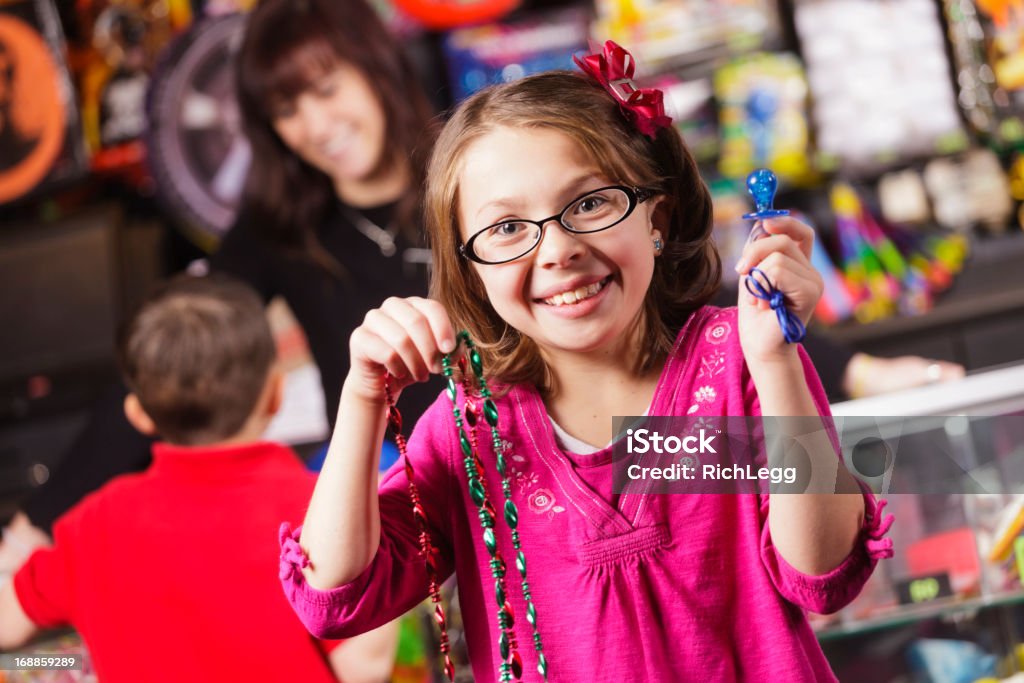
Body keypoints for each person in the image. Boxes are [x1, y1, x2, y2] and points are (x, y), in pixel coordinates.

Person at [278, 44, 895, 682]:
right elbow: (336, 597)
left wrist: (776, 362)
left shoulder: (737, 366)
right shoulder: (471, 429)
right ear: (469, 267)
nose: (558, 250)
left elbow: (824, 574)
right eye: (507, 228)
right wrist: (362, 399)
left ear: (659, 215)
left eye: (591, 203)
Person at [0, 0, 439, 571]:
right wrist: (35, 526)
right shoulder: (278, 230)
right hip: (393, 529)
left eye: (327, 88)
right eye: (286, 108)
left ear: (378, 65)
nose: (315, 126)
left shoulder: (472, 173)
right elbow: (171, 363)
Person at [0, 275, 396, 683]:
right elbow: (366, 667)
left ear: (137, 415)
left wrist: (75, 664)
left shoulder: (93, 524)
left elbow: (7, 626)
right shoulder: (315, 512)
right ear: (277, 393)